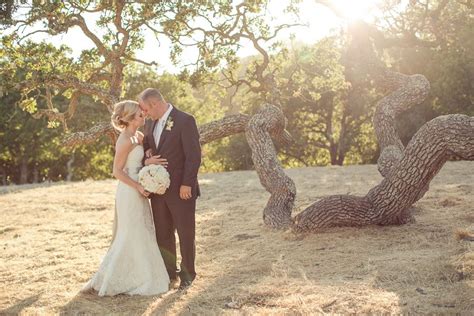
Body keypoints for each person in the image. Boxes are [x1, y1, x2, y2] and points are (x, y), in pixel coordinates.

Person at [82, 100, 169, 296]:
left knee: (143, 231)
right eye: (139, 113)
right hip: (129, 191)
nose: (143, 115)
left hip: (140, 190)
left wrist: (148, 162)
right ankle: (118, 277)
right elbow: (117, 171)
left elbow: (137, 163)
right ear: (129, 117)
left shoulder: (138, 136)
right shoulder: (124, 140)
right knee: (130, 232)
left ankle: (144, 274)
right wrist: (138, 185)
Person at [138, 88, 201, 290]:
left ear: (155, 104)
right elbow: (146, 147)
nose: (145, 114)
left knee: (185, 232)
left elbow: (194, 156)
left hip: (181, 189)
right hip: (158, 190)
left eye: (146, 109)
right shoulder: (149, 123)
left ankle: (188, 274)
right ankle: (168, 273)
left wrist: (187, 184)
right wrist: (147, 158)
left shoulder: (185, 120)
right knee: (163, 234)